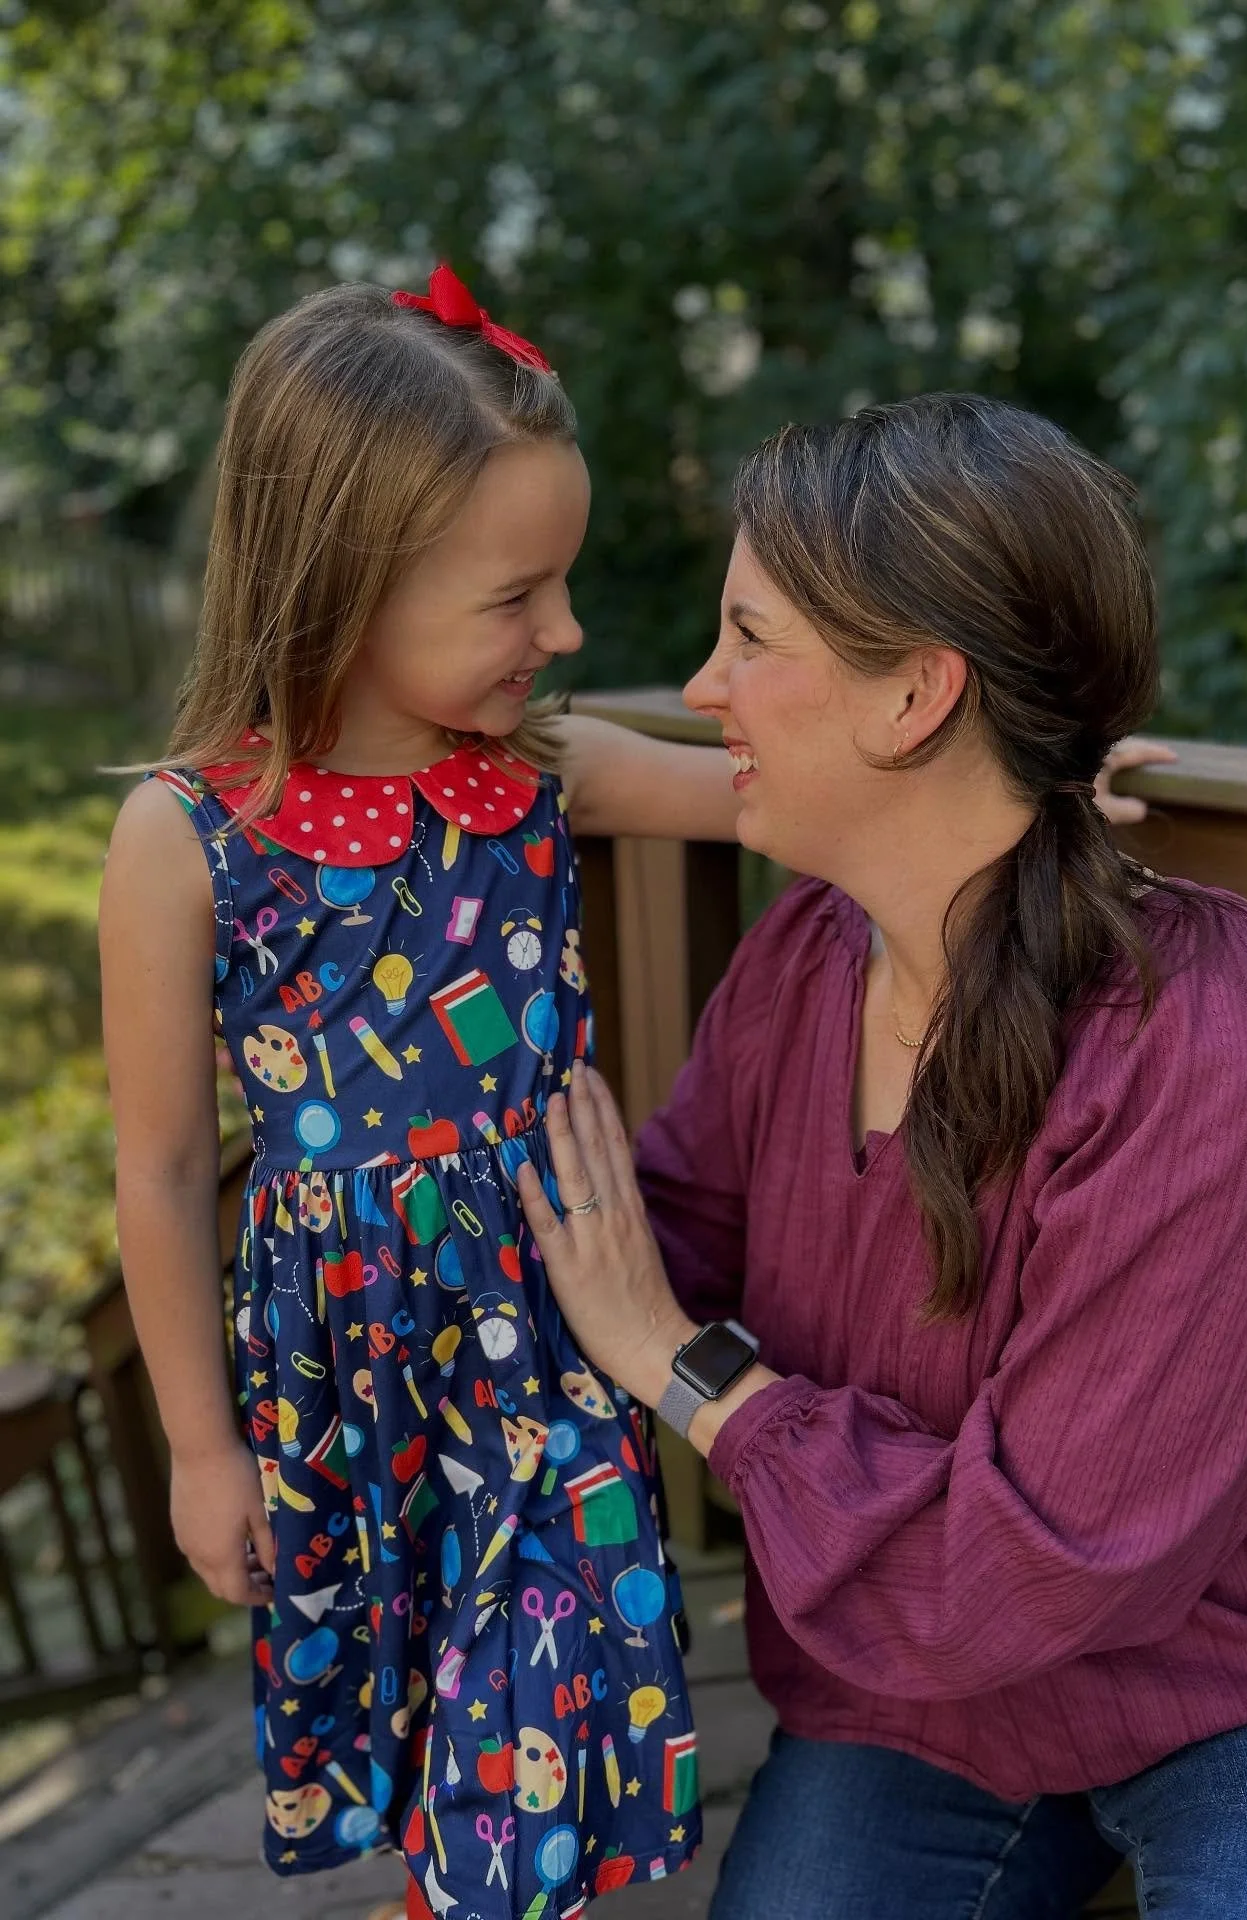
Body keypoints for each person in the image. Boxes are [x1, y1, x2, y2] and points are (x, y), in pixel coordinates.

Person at [516, 394, 1247, 1919]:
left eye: (751, 640)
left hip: (1243, 1677)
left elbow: (1047, 1559)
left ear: (914, 698)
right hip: (917, 1703)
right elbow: (652, 1231)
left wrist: (687, 1370)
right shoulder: (809, 960)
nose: (702, 687)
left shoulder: (1214, 1039)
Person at [99, 264, 764, 1920]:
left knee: (535, 1714)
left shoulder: (547, 772)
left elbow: (787, 800)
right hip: (342, 1372)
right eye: (516, 596)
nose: (567, 635)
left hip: (546, 1338)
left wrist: (1035, 777)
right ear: (344, 586)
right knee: (416, 1733)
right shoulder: (188, 840)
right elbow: (168, 1170)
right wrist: (200, 1451)